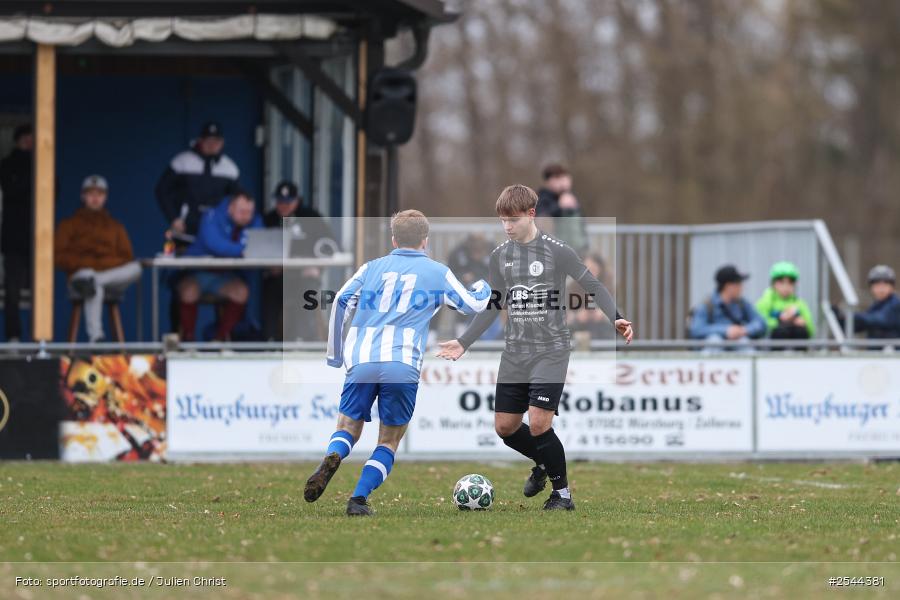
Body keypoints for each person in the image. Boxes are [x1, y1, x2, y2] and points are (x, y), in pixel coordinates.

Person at [435, 185, 633, 511]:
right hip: (514, 351)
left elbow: (592, 285)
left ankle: (562, 495)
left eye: (512, 220)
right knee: (505, 428)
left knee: (540, 424)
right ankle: (543, 460)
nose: (507, 227)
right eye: (502, 221)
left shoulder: (558, 251)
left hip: (551, 349)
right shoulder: (500, 255)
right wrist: (464, 341)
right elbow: (494, 304)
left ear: (531, 214)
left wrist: (617, 318)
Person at [304, 210, 491, 516]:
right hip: (401, 363)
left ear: (393, 239)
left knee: (348, 426)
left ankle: (334, 455)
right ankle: (358, 499)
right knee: (389, 439)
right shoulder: (436, 271)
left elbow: (340, 300)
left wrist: (335, 354)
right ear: (425, 241)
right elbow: (472, 305)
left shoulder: (371, 268)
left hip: (362, 361)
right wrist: (485, 285)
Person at [54, 175, 141, 343]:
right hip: (80, 276)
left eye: (99, 194)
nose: (95, 198)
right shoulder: (69, 224)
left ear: (105, 197)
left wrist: (100, 268)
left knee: (136, 268)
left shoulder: (115, 227)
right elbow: (59, 257)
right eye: (90, 193)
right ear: (83, 196)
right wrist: (92, 264)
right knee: (88, 278)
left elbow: (127, 258)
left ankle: (95, 280)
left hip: (107, 277)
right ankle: (96, 337)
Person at [176, 191, 262, 341]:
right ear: (230, 207)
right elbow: (215, 245)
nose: (246, 216)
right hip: (198, 273)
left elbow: (260, 244)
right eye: (242, 211)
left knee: (241, 291)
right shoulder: (212, 216)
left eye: (249, 212)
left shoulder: (255, 220)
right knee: (188, 291)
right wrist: (244, 250)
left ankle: (219, 340)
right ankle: (188, 341)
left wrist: (246, 250)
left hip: (225, 276)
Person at [262, 181, 335, 341]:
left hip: (305, 275)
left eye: (288, 202)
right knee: (270, 292)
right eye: (280, 202)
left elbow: (330, 246)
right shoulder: (270, 219)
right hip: (279, 276)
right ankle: (270, 342)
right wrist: (270, 265)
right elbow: (259, 248)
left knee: (306, 293)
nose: (284, 206)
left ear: (297, 200)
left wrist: (317, 265)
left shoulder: (311, 216)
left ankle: (304, 341)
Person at [155, 121, 241, 237]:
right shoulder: (183, 161)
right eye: (208, 141)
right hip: (185, 228)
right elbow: (162, 190)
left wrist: (229, 222)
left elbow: (237, 200)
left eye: (216, 141)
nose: (212, 145)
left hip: (217, 229)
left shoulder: (229, 168)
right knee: (183, 253)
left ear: (222, 143)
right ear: (200, 141)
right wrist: (174, 218)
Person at [0, 124, 32, 342]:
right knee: (12, 290)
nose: (29, 143)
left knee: (41, 291)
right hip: (13, 238)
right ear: (18, 140)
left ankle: (41, 339)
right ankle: (14, 337)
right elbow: (11, 191)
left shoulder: (43, 165)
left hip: (37, 239)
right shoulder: (7, 165)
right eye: (26, 138)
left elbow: (54, 190)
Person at [688, 265, 766, 351]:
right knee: (715, 341)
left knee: (743, 341)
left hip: (738, 351)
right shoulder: (707, 305)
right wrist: (726, 330)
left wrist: (744, 330)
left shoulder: (742, 304)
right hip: (714, 353)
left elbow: (761, 323)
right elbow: (697, 329)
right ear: (728, 286)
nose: (742, 287)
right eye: (738, 283)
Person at [535, 163, 587, 254]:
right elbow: (542, 218)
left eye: (565, 177)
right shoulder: (543, 197)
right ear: (549, 181)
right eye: (558, 178)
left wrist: (585, 245)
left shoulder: (570, 197)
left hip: (577, 249)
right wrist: (560, 207)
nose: (563, 181)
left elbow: (580, 225)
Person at [755, 261, 814, 340]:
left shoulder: (800, 304)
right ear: (773, 283)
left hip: (797, 347)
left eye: (790, 283)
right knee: (781, 331)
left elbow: (811, 330)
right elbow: (760, 325)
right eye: (781, 282)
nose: (786, 287)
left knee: (800, 332)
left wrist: (802, 323)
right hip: (772, 347)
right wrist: (780, 320)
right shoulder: (765, 302)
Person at [568, 253, 617, 342]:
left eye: (593, 269)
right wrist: (577, 317)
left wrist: (603, 316)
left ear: (600, 270)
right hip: (578, 339)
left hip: (604, 339)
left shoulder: (609, 288)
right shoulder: (571, 287)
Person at [850, 265, 900, 340]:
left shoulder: (896, 304)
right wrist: (842, 318)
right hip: (877, 351)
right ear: (871, 288)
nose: (881, 289)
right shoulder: (875, 307)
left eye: (885, 284)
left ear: (892, 287)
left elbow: (879, 320)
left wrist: (852, 317)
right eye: (877, 285)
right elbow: (860, 325)